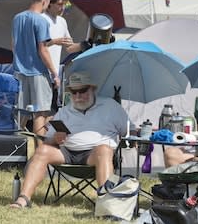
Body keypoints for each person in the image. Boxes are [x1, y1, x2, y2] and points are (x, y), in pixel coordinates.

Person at [10, 72, 135, 208]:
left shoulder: (111, 106)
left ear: (92, 89)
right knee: (42, 150)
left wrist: (132, 138)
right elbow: (48, 141)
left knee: (104, 150)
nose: (78, 96)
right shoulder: (64, 111)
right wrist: (55, 139)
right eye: (73, 92)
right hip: (67, 153)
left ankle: (106, 203)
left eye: (82, 91)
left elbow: (130, 132)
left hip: (95, 155)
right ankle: (23, 199)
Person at [11, 0, 60, 137]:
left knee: (21, 112)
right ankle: (40, 153)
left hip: (19, 71)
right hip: (38, 72)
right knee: (40, 113)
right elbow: (43, 50)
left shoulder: (17, 18)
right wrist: (54, 73)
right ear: (45, 1)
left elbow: (13, 46)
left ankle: (13, 147)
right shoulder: (41, 21)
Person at [42, 0, 91, 112]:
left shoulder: (62, 22)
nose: (63, 7)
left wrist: (86, 44)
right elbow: (36, 45)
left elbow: (69, 48)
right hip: (39, 72)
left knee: (50, 110)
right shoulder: (41, 19)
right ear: (49, 4)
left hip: (54, 74)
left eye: (65, 4)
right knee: (38, 111)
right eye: (59, 4)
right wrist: (54, 41)